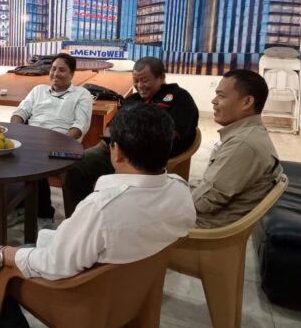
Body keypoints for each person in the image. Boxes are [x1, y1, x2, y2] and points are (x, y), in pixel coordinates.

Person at [0, 103, 196, 328]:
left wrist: (4, 254)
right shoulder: (180, 190)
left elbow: (55, 265)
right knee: (53, 231)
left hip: (81, 299)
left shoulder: (102, 207)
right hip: (133, 292)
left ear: (117, 151)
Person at [62, 56, 199, 218]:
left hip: (148, 161)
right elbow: (110, 128)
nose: (139, 85)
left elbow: (166, 135)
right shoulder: (133, 100)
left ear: (161, 77)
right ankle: (78, 219)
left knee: (113, 186)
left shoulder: (179, 97)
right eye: (136, 80)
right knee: (74, 166)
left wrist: (125, 138)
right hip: (116, 152)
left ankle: (107, 220)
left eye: (145, 80)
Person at [193, 69, 285, 228]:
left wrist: (173, 199)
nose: (214, 101)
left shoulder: (243, 144)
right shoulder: (248, 134)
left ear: (247, 102)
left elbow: (204, 204)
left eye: (221, 96)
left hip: (203, 228)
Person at [11, 53, 93, 223]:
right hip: (32, 140)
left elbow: (80, 126)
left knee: (36, 160)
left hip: (63, 146)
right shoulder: (38, 90)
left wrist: (60, 143)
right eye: (53, 69)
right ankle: (19, 206)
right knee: (6, 155)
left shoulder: (81, 94)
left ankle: (42, 213)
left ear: (72, 74)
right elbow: (20, 112)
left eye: (62, 70)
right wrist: (17, 132)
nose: (56, 73)